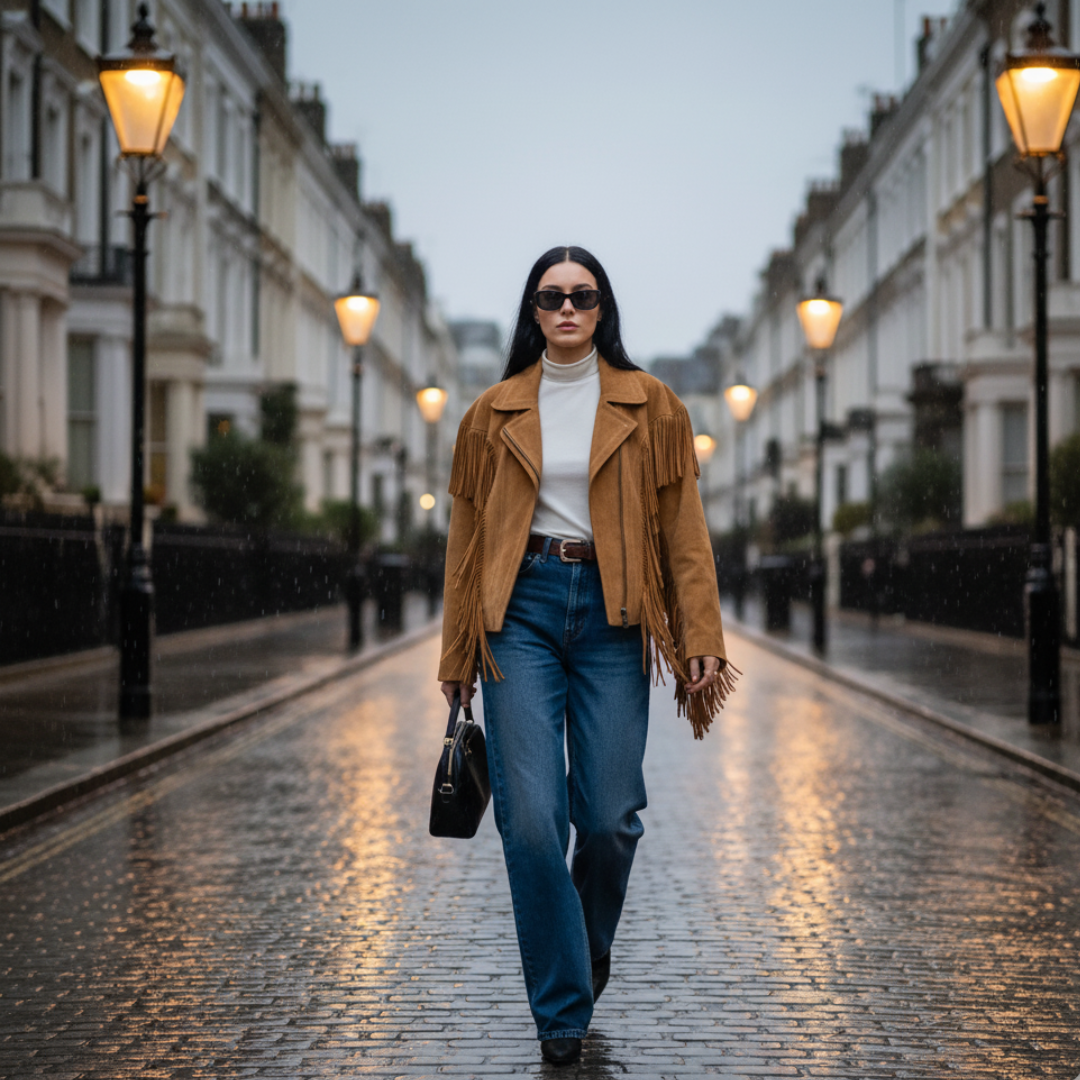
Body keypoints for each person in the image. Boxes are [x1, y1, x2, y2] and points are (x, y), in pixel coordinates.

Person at [438, 245, 735, 1066]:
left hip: (616, 611)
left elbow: (684, 532)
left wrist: (701, 636)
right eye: (551, 296)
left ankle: (578, 952)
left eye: (582, 295)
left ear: (603, 309)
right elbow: (466, 544)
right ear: (533, 312)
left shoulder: (653, 404)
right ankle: (563, 1010)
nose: (566, 308)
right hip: (519, 612)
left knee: (608, 821)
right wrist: (457, 651)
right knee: (532, 824)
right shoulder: (490, 413)